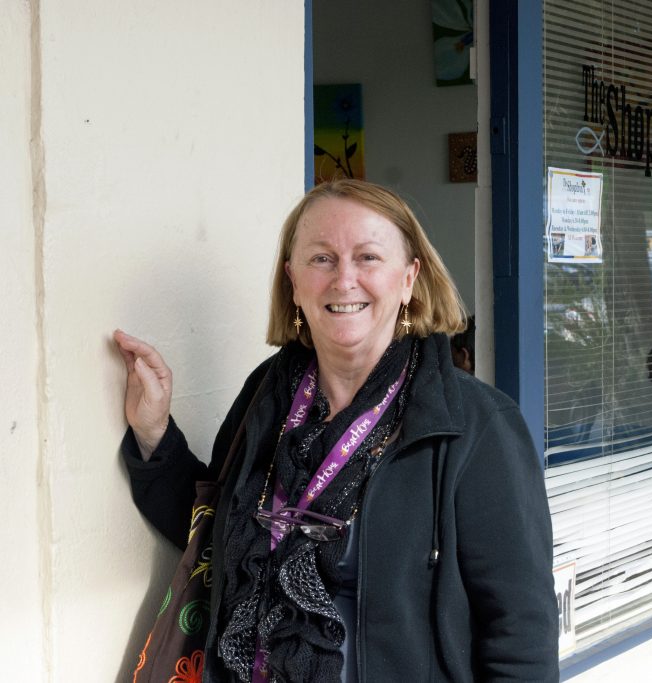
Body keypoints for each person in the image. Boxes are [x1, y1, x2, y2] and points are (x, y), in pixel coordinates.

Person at [114, 178, 559, 682]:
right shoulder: (268, 394)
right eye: (321, 258)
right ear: (293, 281)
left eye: (368, 257)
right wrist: (153, 433)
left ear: (408, 279)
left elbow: (521, 632)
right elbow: (214, 540)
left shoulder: (475, 426)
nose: (344, 279)